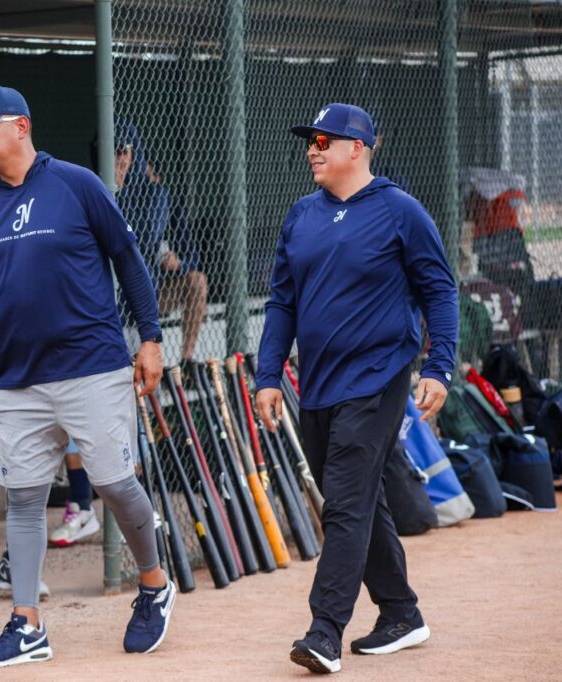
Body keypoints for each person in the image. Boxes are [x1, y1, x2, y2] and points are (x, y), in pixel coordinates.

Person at [0, 86, 175, 667]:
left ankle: (154, 582)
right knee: (24, 498)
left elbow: (128, 258)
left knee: (113, 484)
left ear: (21, 127)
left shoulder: (76, 184)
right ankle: (26, 624)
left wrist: (150, 338)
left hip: (91, 366)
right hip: (17, 376)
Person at [254, 103, 458, 675]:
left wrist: (439, 367)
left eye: (324, 140)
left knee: (343, 502)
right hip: (318, 384)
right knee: (357, 499)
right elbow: (282, 302)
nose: (312, 149)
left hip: (377, 378)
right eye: (310, 140)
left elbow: (439, 291)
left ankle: (325, 630)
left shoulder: (400, 210)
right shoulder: (301, 215)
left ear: (357, 148)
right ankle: (401, 613)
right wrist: (268, 376)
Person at [112, 120, 208, 365]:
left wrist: (179, 264)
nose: (150, 180)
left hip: (157, 288)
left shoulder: (162, 203)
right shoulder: (108, 194)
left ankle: (186, 361)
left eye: (152, 176)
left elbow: (193, 258)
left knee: (197, 281)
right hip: (116, 291)